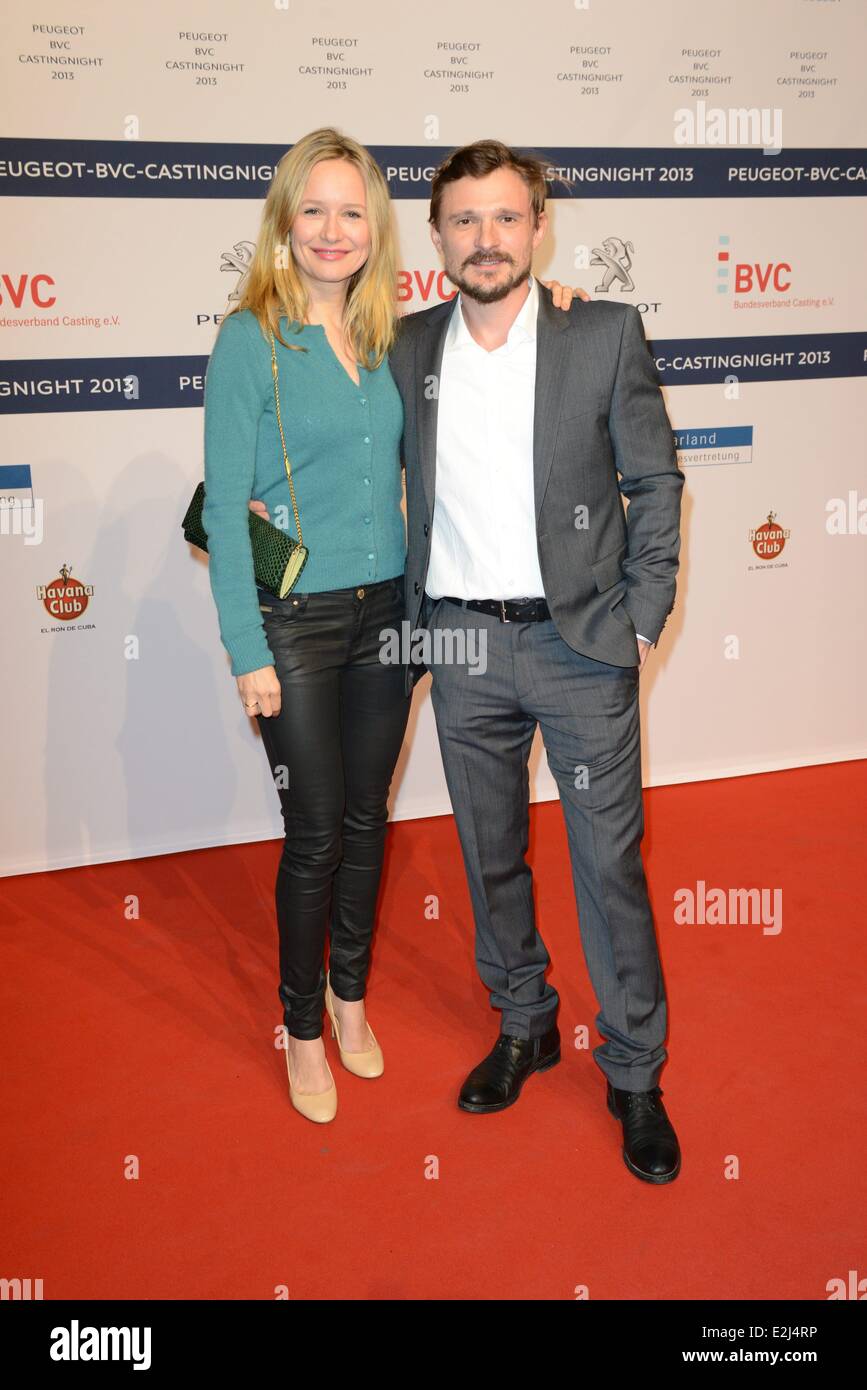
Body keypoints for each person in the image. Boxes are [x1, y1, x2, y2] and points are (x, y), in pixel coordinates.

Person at [388, 140, 685, 1183]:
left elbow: (655, 480)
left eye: (505, 218)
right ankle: (525, 1022)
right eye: (464, 221)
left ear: (540, 225)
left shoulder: (600, 333)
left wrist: (642, 619)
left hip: (581, 642)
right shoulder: (407, 347)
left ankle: (637, 1073)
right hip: (464, 642)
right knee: (489, 851)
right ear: (437, 238)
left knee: (608, 864)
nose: (485, 239)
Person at [201, 129, 412, 1124]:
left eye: (352, 211)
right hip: (297, 624)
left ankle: (351, 992)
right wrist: (248, 650)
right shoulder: (251, 337)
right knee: (317, 832)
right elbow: (222, 507)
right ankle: (301, 1025)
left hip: (390, 615)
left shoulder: (388, 336)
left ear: (376, 226)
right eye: (314, 209)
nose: (333, 231)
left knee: (371, 822)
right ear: (286, 220)